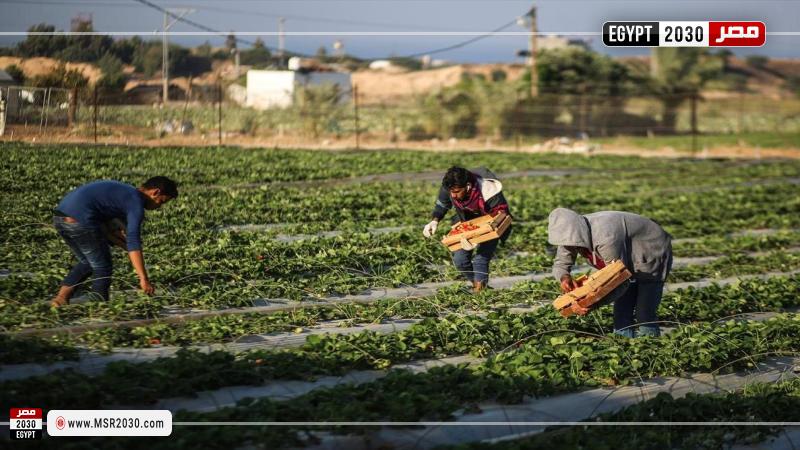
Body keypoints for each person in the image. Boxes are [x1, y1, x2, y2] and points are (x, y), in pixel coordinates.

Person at [49, 177, 178, 307]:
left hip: (60, 218)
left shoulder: (125, 193)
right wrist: (144, 279)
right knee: (103, 266)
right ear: (155, 192)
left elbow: (110, 231)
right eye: (161, 202)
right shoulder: (136, 203)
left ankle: (61, 299)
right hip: (80, 221)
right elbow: (133, 240)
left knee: (88, 262)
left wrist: (126, 246)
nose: (159, 206)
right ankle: (99, 307)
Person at [547, 207, 673, 337]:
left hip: (650, 250)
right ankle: (624, 347)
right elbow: (561, 263)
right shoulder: (568, 235)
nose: (570, 246)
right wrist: (564, 277)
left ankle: (650, 347)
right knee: (622, 310)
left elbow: (619, 279)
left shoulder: (606, 237)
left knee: (644, 311)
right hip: (625, 254)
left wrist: (591, 303)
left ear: (578, 233)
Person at [422, 166, 511, 293]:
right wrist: (434, 220)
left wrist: (479, 235)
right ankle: (478, 285)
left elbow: (501, 215)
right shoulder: (450, 186)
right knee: (460, 261)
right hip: (465, 223)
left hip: (492, 224)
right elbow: (442, 204)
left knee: (480, 259)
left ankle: (480, 291)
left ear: (468, 186)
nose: (453, 195)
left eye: (457, 191)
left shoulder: (488, 189)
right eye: (451, 191)